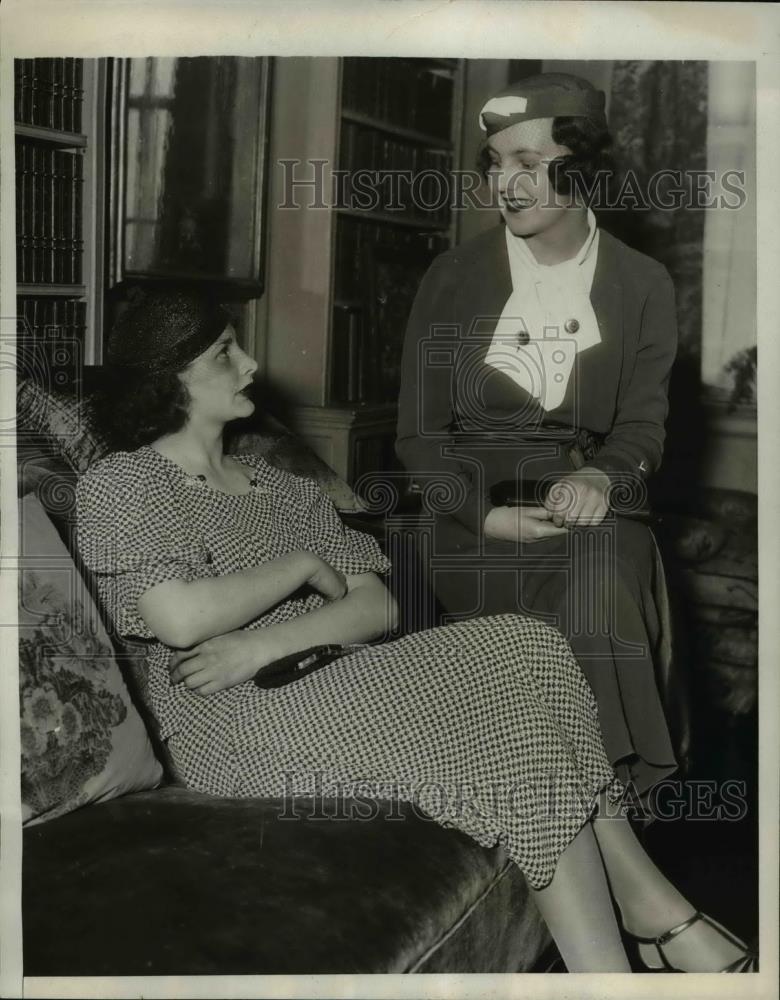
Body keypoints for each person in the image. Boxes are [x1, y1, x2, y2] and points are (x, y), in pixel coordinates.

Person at [75, 285, 755, 973]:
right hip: (226, 718)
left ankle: (630, 934)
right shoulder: (126, 482)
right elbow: (179, 616)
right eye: (225, 353)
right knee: (516, 725)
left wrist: (263, 640)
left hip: (322, 675)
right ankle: (637, 941)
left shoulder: (281, 485)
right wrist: (303, 567)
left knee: (528, 645)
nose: (251, 364)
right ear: (171, 377)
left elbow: (377, 608)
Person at [397, 71, 683, 816]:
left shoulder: (644, 281)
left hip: (585, 506)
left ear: (580, 165)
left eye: (528, 161)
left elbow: (642, 425)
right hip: (471, 516)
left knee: (600, 590)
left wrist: (603, 478)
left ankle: (611, 804)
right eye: (495, 163)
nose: (506, 184)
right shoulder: (452, 276)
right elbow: (418, 434)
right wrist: (480, 515)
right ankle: (601, 837)